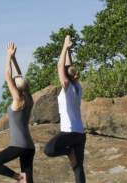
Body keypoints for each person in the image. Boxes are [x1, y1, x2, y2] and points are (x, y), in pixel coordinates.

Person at [0, 42, 35, 183]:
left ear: (16, 88)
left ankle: (18, 177)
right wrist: (14, 58)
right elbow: (19, 75)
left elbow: (8, 75)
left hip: (18, 146)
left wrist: (8, 56)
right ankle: (23, 178)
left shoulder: (18, 99)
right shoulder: (29, 98)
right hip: (29, 147)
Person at [43, 34, 86, 183]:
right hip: (80, 133)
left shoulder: (67, 87)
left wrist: (63, 47)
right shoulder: (77, 86)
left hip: (69, 132)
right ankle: (70, 152)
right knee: (78, 169)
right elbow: (68, 67)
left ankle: (68, 151)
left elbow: (60, 66)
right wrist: (69, 49)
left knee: (48, 149)